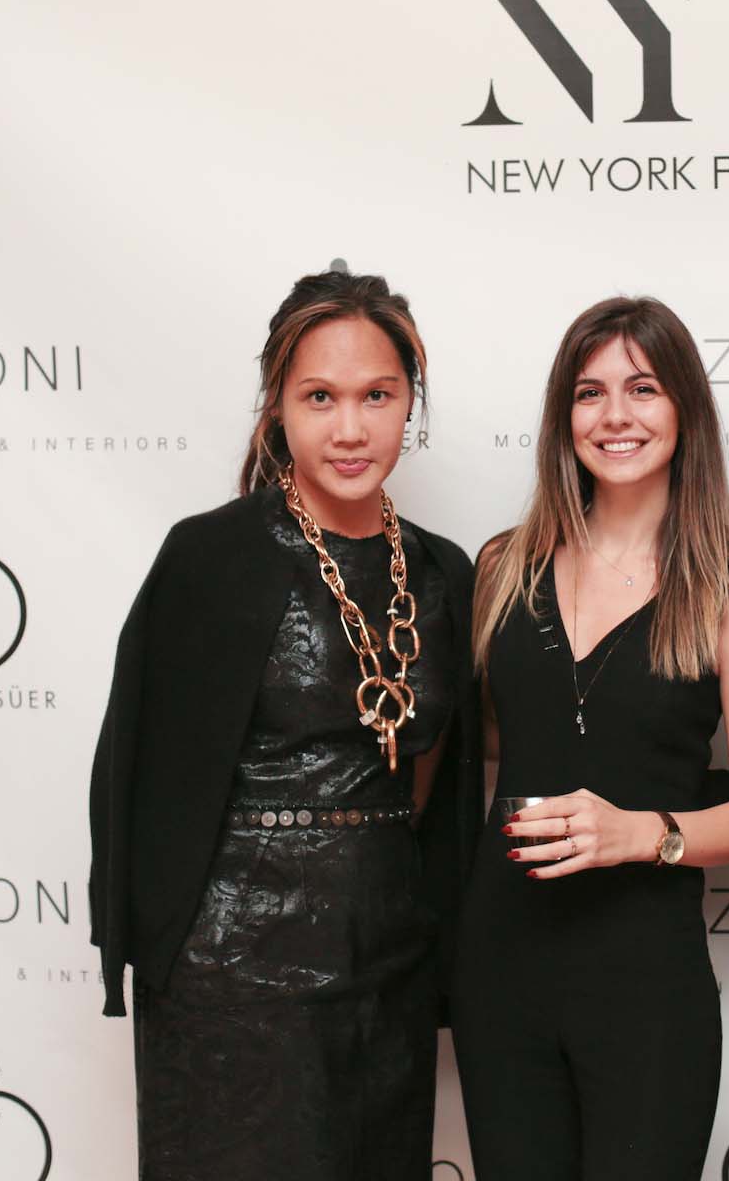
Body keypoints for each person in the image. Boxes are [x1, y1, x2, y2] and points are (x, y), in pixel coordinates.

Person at [87, 270, 481, 1180]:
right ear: (277, 408)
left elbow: (435, 777)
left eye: (377, 395)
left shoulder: (444, 572)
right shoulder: (210, 556)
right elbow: (137, 766)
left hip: (386, 962)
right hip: (227, 970)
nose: (350, 429)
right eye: (319, 397)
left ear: (411, 403)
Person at [450, 296, 729, 1181]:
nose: (615, 416)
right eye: (590, 392)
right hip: (500, 966)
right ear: (564, 417)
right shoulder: (502, 568)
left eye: (643, 389)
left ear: (684, 410)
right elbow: (493, 743)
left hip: (646, 982)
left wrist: (643, 832)